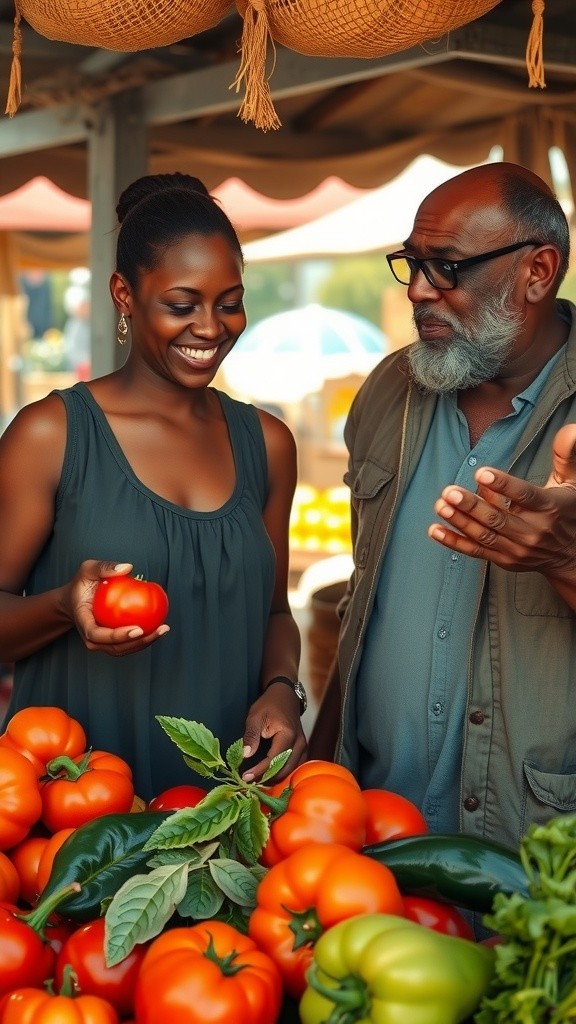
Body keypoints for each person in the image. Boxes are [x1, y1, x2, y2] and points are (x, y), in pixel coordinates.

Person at [0, 172, 307, 802]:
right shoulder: (51, 435)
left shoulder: (267, 444)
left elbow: (275, 612)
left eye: (229, 302)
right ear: (123, 294)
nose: (211, 327)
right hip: (74, 808)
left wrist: (284, 690)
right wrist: (64, 605)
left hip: (224, 813)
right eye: (181, 303)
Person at [309, 161, 576, 856]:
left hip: (534, 861)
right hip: (365, 844)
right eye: (413, 263)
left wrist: (565, 558)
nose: (420, 291)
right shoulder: (385, 393)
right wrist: (313, 768)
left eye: (448, 267)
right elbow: (363, 612)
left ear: (538, 272)